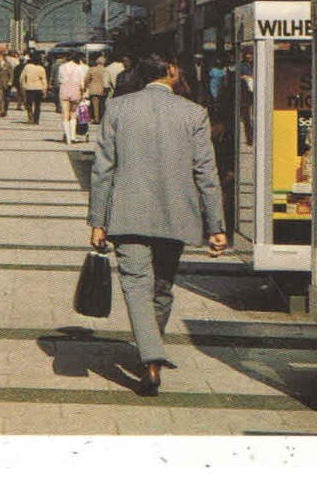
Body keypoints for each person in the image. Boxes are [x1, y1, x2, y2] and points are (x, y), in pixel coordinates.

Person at [88, 55, 227, 396]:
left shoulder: (118, 109)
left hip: (127, 212)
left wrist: (97, 220)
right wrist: (216, 225)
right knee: (162, 287)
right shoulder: (193, 113)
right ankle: (152, 354)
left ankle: (150, 355)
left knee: (137, 285)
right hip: (177, 213)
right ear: (171, 72)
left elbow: (103, 168)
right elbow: (206, 173)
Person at [56, 51, 88, 144]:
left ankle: (68, 138)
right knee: (73, 114)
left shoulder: (62, 67)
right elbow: (82, 81)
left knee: (65, 115)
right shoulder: (79, 68)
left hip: (64, 89)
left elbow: (60, 79)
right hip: (75, 90)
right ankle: (73, 135)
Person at [18, 53, 49, 125]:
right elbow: (44, 80)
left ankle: (30, 116)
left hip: (29, 88)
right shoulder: (41, 68)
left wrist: (23, 85)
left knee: (29, 104)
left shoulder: (27, 67)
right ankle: (36, 119)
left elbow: (22, 78)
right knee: (38, 105)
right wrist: (45, 89)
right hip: (39, 88)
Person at [84, 53, 109, 130]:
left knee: (95, 105)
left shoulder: (91, 69)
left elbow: (86, 80)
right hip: (103, 89)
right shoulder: (106, 70)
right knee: (102, 105)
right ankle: (102, 118)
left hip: (94, 89)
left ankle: (96, 119)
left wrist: (85, 87)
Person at [0, 51, 15, 117]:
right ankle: (1, 111)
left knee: (6, 98)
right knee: (0, 98)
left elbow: (11, 74)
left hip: (6, 84)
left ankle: (5, 110)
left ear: (2, 57)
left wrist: (10, 81)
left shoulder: (8, 65)